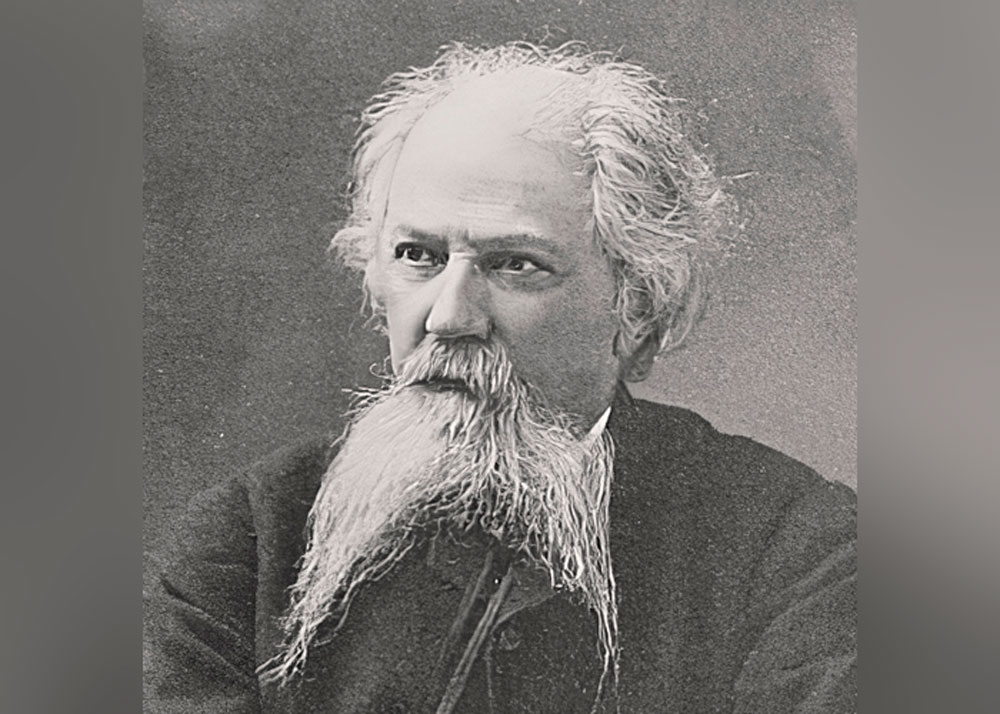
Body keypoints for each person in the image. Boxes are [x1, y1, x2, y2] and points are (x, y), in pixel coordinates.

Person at [146, 42, 856, 713]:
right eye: (417, 256)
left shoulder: (797, 554)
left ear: (637, 308)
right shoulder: (247, 547)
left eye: (516, 265)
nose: (448, 316)